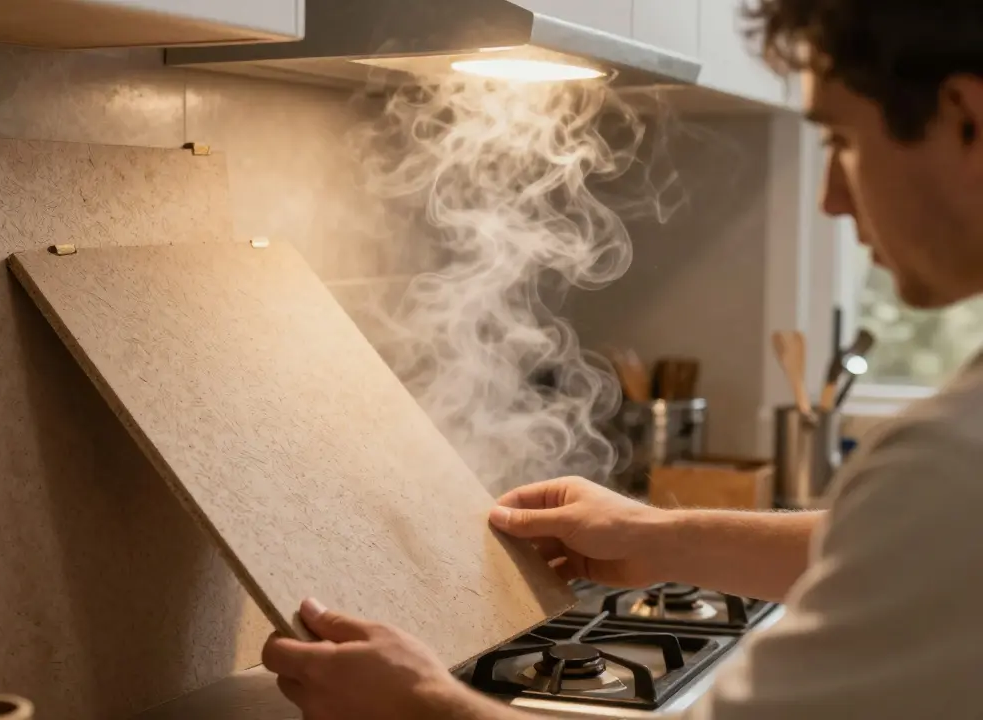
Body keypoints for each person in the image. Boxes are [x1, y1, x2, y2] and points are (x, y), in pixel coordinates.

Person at [261, 0, 983, 718]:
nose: (830, 197)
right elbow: (918, 551)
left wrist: (421, 706)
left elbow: (932, 519)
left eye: (842, 141)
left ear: (966, 119)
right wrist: (658, 537)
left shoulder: (949, 460)